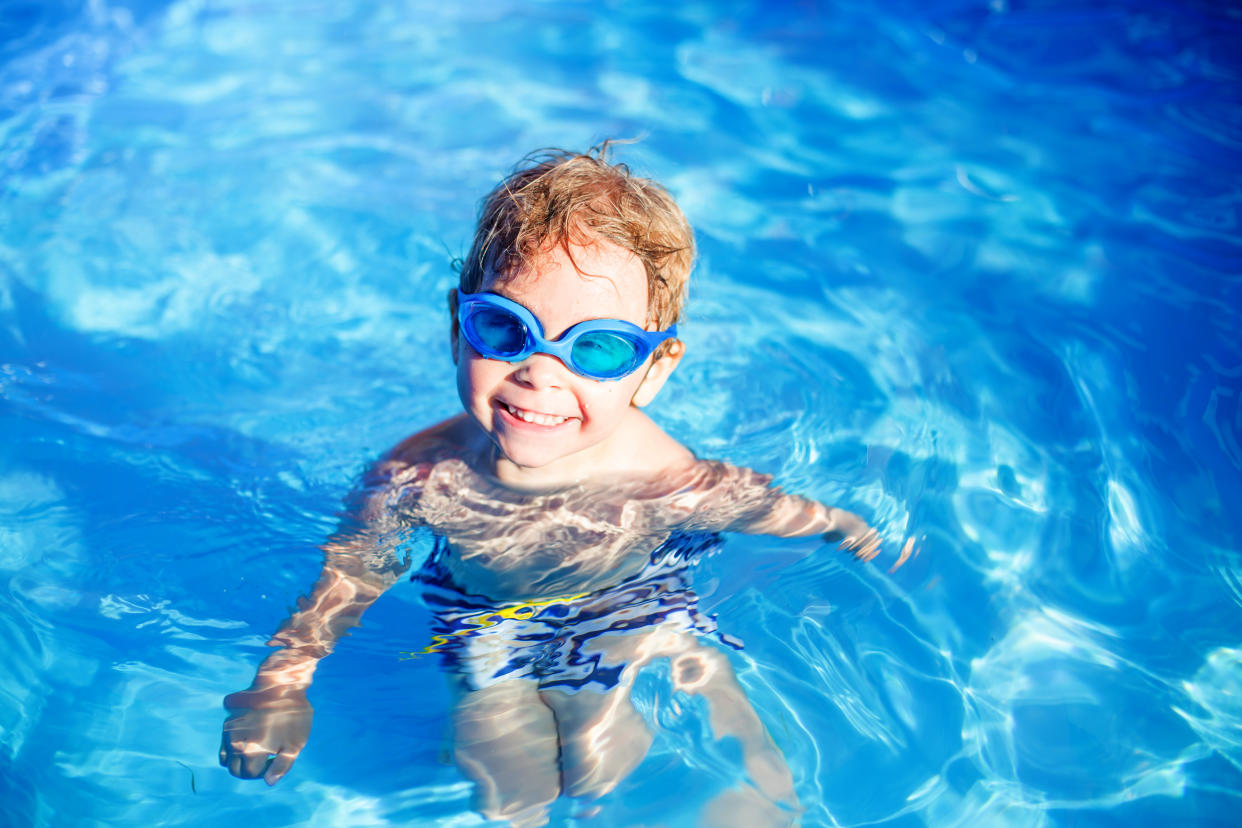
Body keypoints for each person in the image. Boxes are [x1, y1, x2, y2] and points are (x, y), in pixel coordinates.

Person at [219, 145, 880, 827]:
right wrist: (279, 686)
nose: (540, 372)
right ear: (458, 328)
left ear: (654, 370)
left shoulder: (657, 475)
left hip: (627, 613)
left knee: (609, 765)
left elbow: (752, 504)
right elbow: (346, 578)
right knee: (504, 781)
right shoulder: (419, 474)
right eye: (505, 328)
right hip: (480, 626)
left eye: (596, 347)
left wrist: (839, 526)